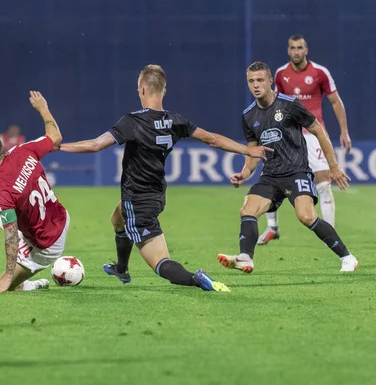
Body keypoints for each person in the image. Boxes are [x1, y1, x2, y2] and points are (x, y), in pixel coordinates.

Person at [59, 64, 271, 292]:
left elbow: (95, 145)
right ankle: (121, 268)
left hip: (138, 200)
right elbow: (213, 139)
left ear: (141, 89)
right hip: (157, 196)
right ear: (164, 90)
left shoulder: (133, 121)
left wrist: (58, 147)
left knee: (161, 263)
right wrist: (247, 150)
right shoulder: (175, 121)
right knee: (117, 217)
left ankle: (196, 278)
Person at [217, 61, 358, 273]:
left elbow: (318, 130)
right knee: (247, 209)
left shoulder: (289, 104)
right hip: (270, 176)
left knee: (306, 216)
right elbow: (254, 150)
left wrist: (334, 167)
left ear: (270, 81)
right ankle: (246, 257)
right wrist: (245, 173)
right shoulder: (248, 115)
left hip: (296, 172)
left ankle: (347, 257)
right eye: (251, 81)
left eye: (260, 80)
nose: (256, 85)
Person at [257, 34, 351, 245]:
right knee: (272, 179)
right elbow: (274, 103)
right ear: (288, 50)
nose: (296, 52)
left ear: (306, 50)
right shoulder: (281, 74)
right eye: (292, 48)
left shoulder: (320, 73)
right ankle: (272, 228)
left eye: (300, 48)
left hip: (314, 135)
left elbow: (336, 102)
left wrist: (344, 131)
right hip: (288, 135)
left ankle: (330, 233)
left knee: (324, 183)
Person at [0, 91, 67, 295]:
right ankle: (27, 262)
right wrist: (43, 108)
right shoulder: (22, 150)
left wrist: (8, 275)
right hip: (60, 217)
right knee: (0, 217)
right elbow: (56, 137)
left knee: (8, 286)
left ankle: (34, 281)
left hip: (47, 244)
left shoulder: (0, 189)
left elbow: (10, 236)